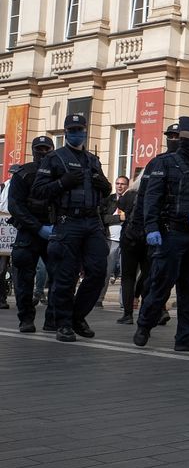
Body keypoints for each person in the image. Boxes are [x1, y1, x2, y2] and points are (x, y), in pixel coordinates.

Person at [133, 117, 189, 352]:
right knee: (160, 285)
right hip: (170, 234)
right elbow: (152, 198)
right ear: (187, 139)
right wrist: (151, 228)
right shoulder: (164, 163)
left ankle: (187, 336)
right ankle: (145, 325)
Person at [33, 113, 112, 342]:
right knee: (65, 276)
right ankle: (64, 323)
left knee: (98, 271)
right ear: (66, 132)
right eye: (73, 129)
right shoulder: (54, 158)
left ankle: (77, 316)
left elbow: (105, 191)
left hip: (92, 222)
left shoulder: (92, 159)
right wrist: (62, 183)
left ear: (86, 130)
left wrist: (104, 185)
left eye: (81, 129)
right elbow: (39, 191)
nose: (77, 133)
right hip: (68, 221)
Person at [8, 136, 56, 332]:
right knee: (24, 279)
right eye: (39, 149)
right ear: (33, 150)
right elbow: (15, 206)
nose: (43, 153)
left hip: (53, 229)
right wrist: (37, 227)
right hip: (29, 232)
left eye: (46, 149)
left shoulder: (59, 172)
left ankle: (52, 319)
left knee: (60, 276)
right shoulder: (23, 173)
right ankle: (26, 319)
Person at [116, 169, 150, 325]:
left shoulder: (130, 194)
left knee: (128, 277)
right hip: (148, 237)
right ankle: (147, 311)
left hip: (129, 238)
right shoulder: (154, 193)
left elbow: (120, 205)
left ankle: (127, 314)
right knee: (148, 274)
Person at [106, 176, 129, 283]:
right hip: (110, 240)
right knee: (105, 272)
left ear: (127, 186)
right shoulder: (109, 199)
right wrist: (119, 218)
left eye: (122, 184)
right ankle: (99, 299)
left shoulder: (132, 199)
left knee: (126, 275)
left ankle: (125, 300)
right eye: (117, 183)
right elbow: (103, 218)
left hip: (127, 240)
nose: (119, 186)